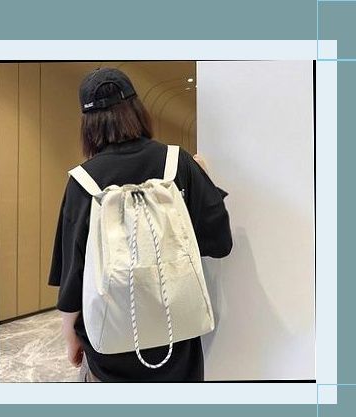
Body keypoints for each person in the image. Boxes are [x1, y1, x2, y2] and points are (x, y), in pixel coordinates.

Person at [48, 67, 233, 382]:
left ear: (87, 124)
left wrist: (70, 338)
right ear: (137, 109)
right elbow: (219, 243)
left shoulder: (83, 181)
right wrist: (203, 180)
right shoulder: (178, 163)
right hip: (178, 343)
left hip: (108, 350)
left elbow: (72, 276)